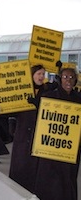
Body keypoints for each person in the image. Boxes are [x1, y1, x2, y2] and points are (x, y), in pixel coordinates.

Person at [32, 67, 81, 200]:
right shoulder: (49, 97)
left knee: (68, 179)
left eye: (71, 77)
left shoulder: (79, 100)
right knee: (50, 180)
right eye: (65, 77)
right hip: (51, 148)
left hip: (70, 148)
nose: (68, 81)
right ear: (60, 79)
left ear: (75, 80)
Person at [9, 64, 58, 192]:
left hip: (39, 136)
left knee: (36, 170)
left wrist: (39, 103)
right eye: (39, 74)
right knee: (21, 168)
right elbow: (12, 109)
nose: (41, 76)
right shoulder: (22, 89)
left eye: (43, 74)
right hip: (23, 134)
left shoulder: (48, 91)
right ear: (32, 75)